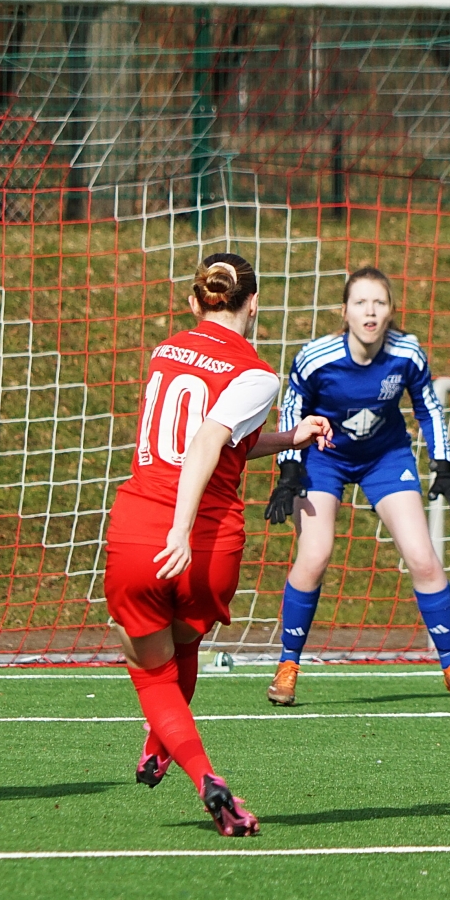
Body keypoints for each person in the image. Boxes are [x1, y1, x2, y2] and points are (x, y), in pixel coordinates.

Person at [107, 252, 333, 836]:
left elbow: (212, 439)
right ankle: (160, 744)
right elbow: (210, 440)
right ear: (253, 304)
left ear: (194, 301)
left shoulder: (165, 351)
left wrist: (288, 437)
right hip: (208, 544)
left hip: (139, 529)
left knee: (150, 673)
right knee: (183, 649)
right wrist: (183, 530)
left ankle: (202, 772)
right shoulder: (256, 374)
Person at [264, 266, 450, 707]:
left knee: (423, 558)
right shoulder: (315, 357)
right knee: (315, 555)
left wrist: (443, 468)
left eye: (379, 303)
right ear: (344, 311)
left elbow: (428, 408)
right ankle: (287, 665)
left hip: (386, 457)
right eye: (360, 302)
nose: (370, 312)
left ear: (391, 310)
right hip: (324, 456)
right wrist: (288, 472)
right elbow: (291, 410)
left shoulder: (407, 353)